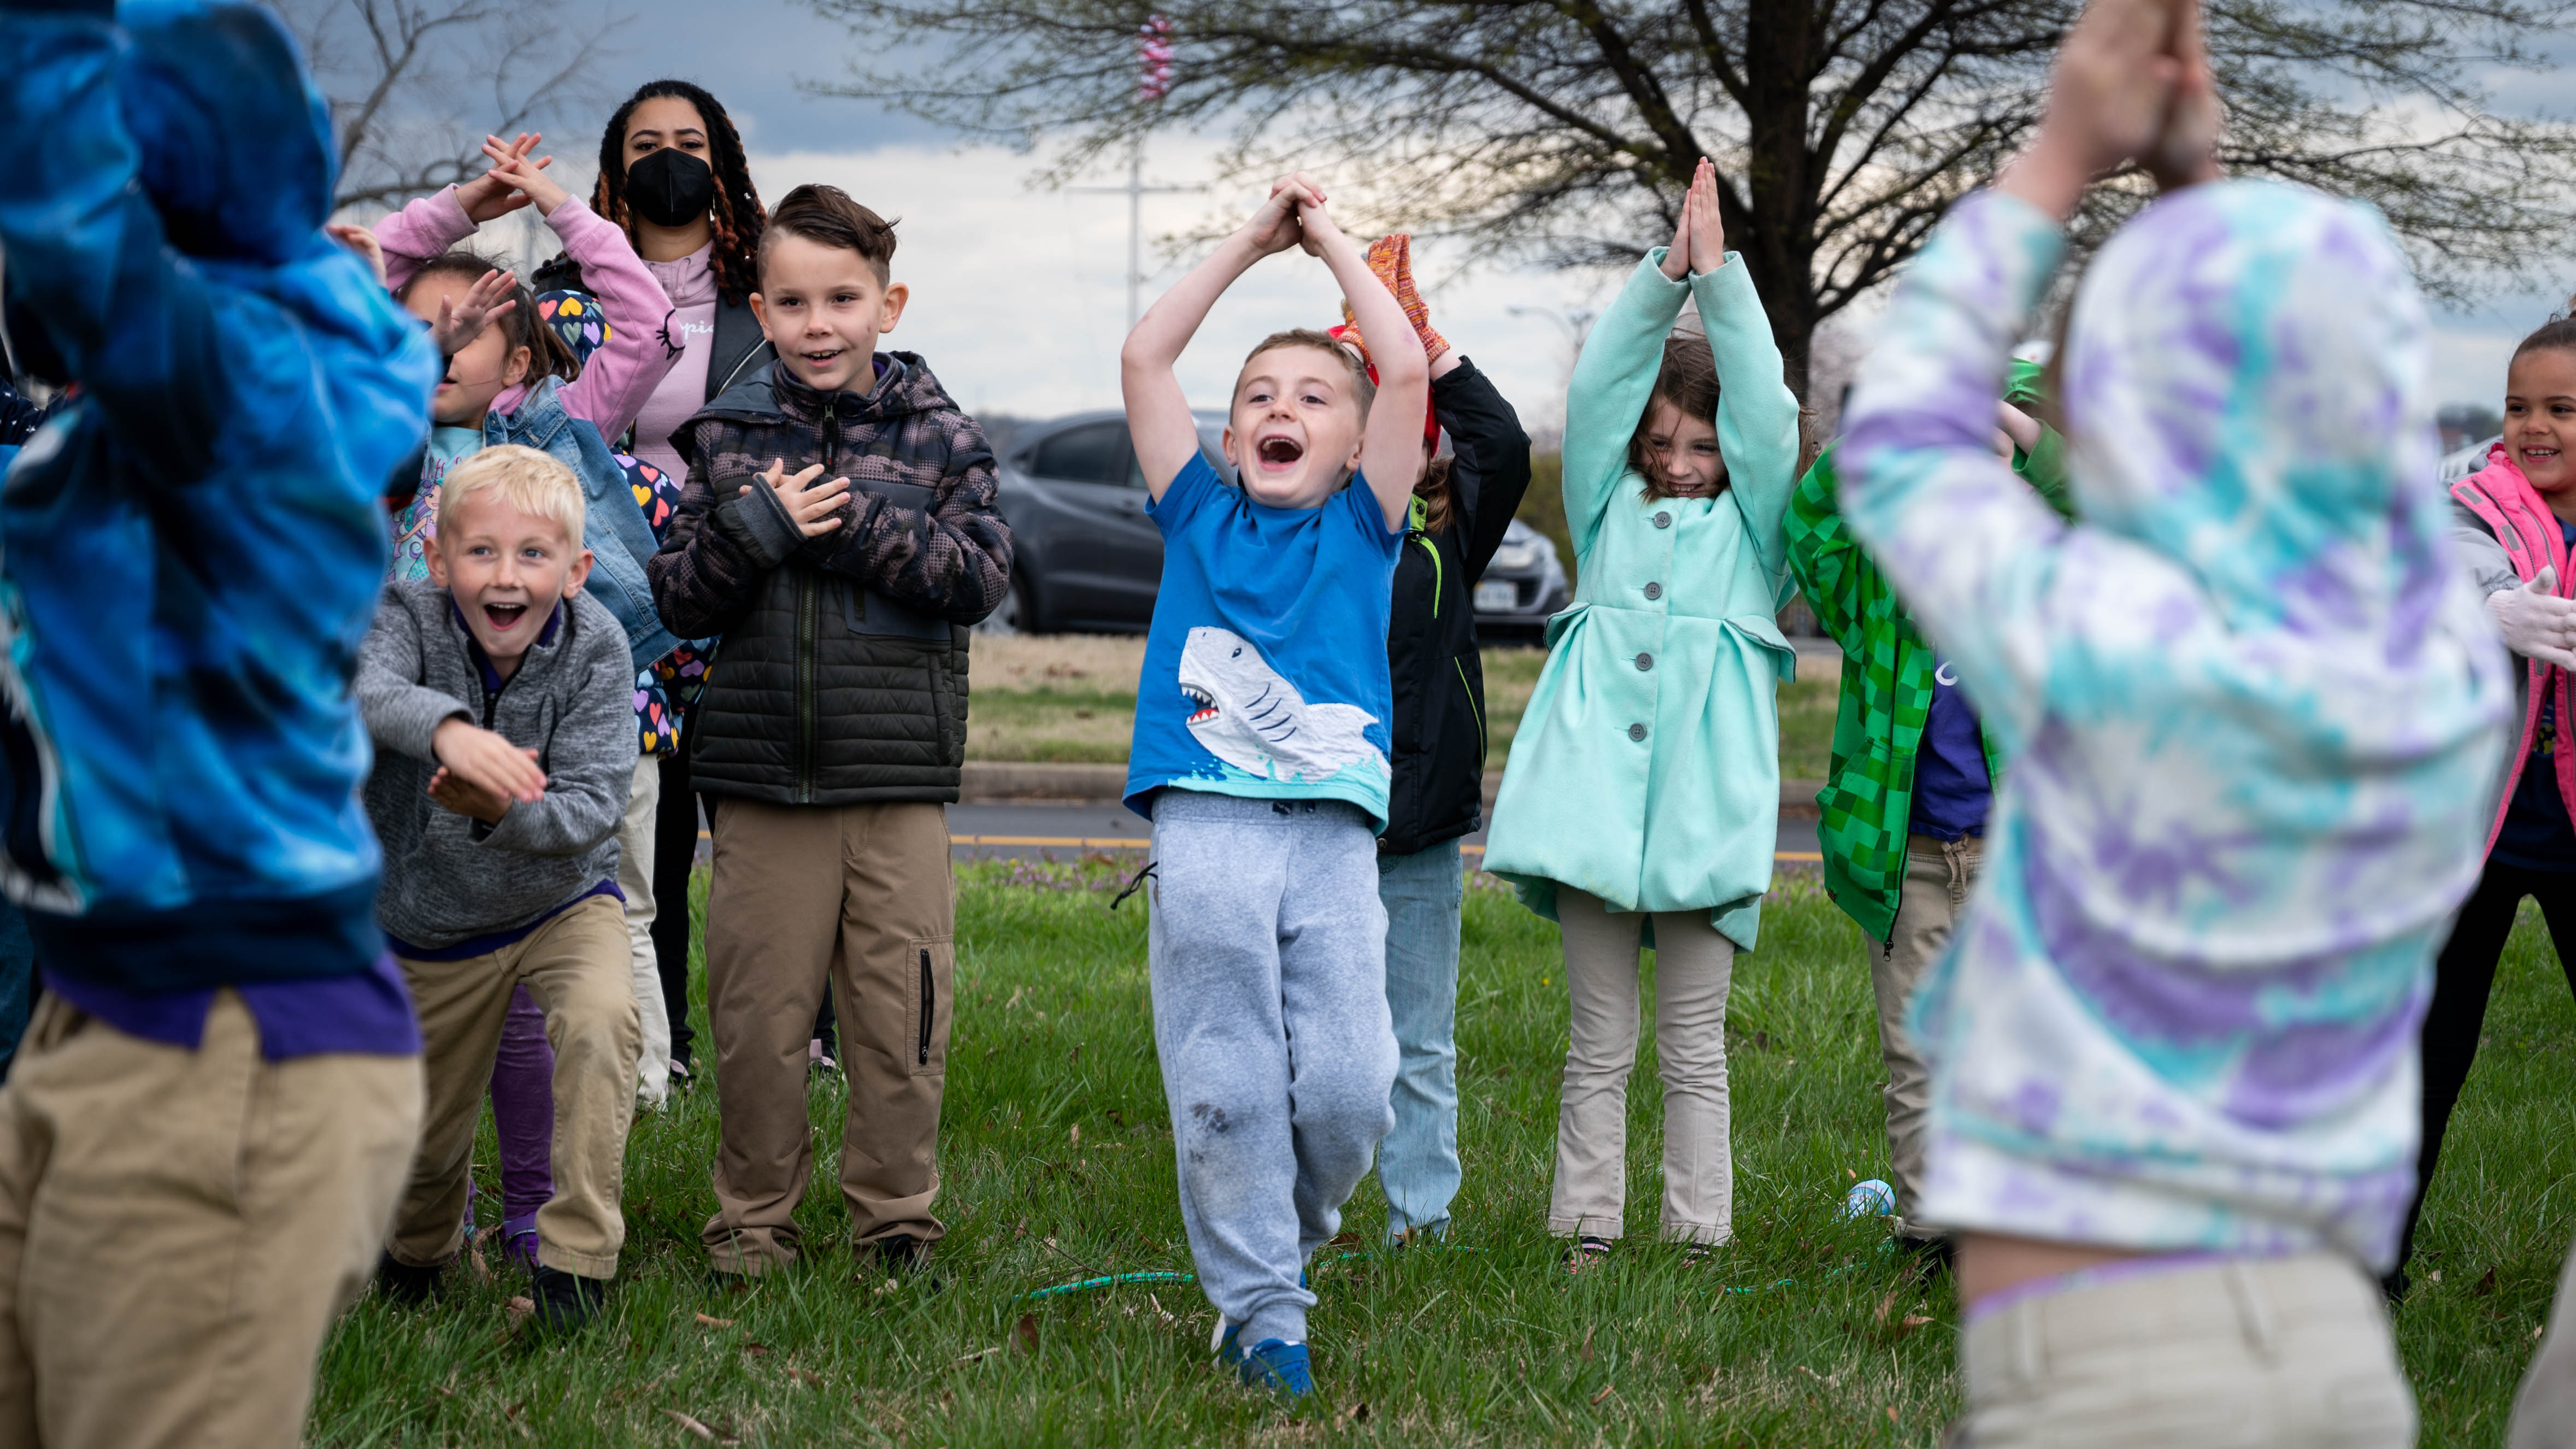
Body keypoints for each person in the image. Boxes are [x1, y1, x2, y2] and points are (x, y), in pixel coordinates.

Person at [1836, 0, 2509, 1438]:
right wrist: (2193, 187)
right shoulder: (2442, 672)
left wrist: (2060, 155)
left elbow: (1897, 440)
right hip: (2328, 1345)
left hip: (2115, 1359)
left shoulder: (2114, 646)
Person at [0, 0, 436, 1439]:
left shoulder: (251, 388)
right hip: (97, 1009)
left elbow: (71, 218)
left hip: (228, 1040)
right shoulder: (157, 415)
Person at [649, 183, 1012, 1285]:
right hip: (760, 779)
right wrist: (757, 529)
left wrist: (851, 521)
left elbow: (979, 579)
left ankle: (895, 1223)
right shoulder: (722, 437)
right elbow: (679, 599)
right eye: (795, 302)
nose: (819, 324)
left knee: (902, 1017)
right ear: (760, 311)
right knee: (756, 1020)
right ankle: (752, 1227)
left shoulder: (943, 439)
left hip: (894, 777)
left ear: (886, 306)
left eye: (843, 299)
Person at [1119, 173, 1426, 1397]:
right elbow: (1146, 357)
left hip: (1331, 835)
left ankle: (1282, 1239)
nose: (1280, 409)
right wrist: (1250, 242)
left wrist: (1332, 243)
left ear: (1355, 446)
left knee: (1351, 1088)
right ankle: (1262, 1314)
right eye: (1256, 397)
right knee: (1227, 1082)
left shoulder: (1366, 526)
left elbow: (1403, 368)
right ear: (1229, 436)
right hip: (1203, 820)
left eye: (1311, 397)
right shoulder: (1196, 515)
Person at [1479, 157, 1802, 1271]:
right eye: (1661, 444)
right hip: (1588, 811)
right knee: (1597, 1042)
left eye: (1701, 447)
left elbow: (1765, 413)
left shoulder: (1758, 536)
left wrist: (1720, 280)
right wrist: (1663, 279)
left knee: (1694, 1045)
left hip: (1703, 816)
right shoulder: (1603, 511)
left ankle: (1698, 1230)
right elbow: (1598, 394)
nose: (1679, 464)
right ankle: (1585, 1229)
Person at [372, 139, 684, 1129]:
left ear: (516, 361)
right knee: (403, 913)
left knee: (606, 897)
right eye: (421, 328)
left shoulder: (551, 426)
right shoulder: (371, 438)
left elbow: (648, 322)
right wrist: (460, 208)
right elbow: (351, 285)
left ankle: (636, 1092)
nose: (443, 340)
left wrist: (556, 205)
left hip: (550, 711)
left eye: (466, 329)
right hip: (403, 724)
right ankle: (411, 1118)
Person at [1784, 365, 2067, 1256]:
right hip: (1905, 860)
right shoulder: (1878, 586)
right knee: (1917, 1056)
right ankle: (1929, 1232)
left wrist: (2000, 407)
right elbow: (1810, 523)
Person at [360, 444, 643, 1332]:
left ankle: (575, 1268)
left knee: (602, 1022)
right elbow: (361, 689)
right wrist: (448, 731)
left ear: (576, 569)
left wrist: (501, 810)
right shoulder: (404, 616)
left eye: (533, 554)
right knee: (427, 1142)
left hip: (562, 903)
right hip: (429, 919)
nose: (506, 575)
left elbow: (594, 805)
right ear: (439, 560)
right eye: (480, 551)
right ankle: (419, 1256)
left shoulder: (598, 646)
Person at [544, 78, 778, 1090]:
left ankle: (798, 1033)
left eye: (689, 141)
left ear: (722, 162)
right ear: (612, 171)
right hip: (618, 586)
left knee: (757, 821)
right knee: (653, 824)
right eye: (646, 145)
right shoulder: (566, 299)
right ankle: (665, 1041)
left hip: (743, 572)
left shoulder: (767, 295)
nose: (668, 160)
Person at [1332, 235, 1533, 1245]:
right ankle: (1302, 1216)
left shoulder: (1449, 536)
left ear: (1425, 452)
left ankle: (1421, 1221)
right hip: (1316, 827)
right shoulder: (1303, 534)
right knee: (1319, 1041)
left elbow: (1505, 443)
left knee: (1418, 1040)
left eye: (1402, 436)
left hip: (1417, 833)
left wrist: (1424, 343)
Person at [2389, 315, 2576, 1298]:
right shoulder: (2469, 501)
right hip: (2473, 835)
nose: (2533, 426)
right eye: (2517, 406)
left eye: (2561, 409)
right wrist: (2491, 608)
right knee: (2424, 1052)